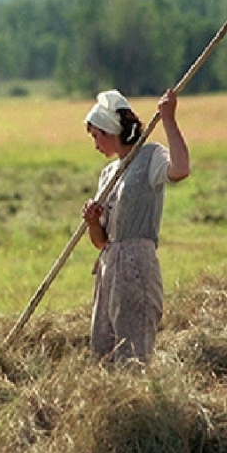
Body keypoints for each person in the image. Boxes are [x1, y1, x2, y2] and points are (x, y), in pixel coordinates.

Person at [81, 88, 189, 365]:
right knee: (103, 350)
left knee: (132, 352)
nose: (95, 144)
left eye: (96, 136)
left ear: (109, 131)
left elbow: (180, 169)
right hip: (108, 268)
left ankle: (137, 404)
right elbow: (101, 241)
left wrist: (168, 119)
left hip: (136, 266)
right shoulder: (107, 174)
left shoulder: (149, 157)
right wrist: (93, 221)